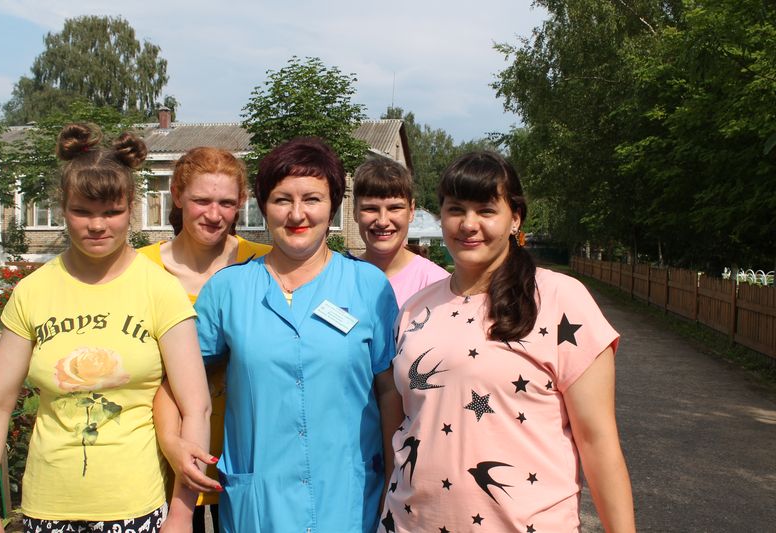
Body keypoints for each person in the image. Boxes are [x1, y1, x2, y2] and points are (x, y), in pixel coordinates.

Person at [380, 151, 635, 532]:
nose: (469, 224)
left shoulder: (559, 300)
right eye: (455, 209)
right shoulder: (415, 309)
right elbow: (406, 428)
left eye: (486, 210)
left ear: (515, 218)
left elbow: (598, 442)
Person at [0, 123, 211, 533]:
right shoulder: (33, 292)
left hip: (137, 509)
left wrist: (181, 514)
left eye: (111, 212)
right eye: (82, 211)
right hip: (47, 509)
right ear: (62, 207)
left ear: (131, 208)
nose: (97, 225)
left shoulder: (159, 290)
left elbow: (196, 408)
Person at [159, 137, 402, 532]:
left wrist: (395, 487)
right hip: (259, 506)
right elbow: (177, 379)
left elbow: (389, 391)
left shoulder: (369, 286)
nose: (297, 214)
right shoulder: (228, 289)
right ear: (262, 206)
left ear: (333, 205)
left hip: (350, 501)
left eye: (312, 199)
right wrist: (172, 442)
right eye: (282, 200)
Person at [139, 146, 270, 533]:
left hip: (246, 451)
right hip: (163, 453)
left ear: (241, 203)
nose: (214, 215)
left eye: (226, 203)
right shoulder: (140, 268)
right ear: (177, 195)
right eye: (201, 201)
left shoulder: (265, 264)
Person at [353, 158, 449, 308]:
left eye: (394, 208)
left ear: (411, 210)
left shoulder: (437, 284)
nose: (382, 221)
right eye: (370, 209)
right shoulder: (338, 279)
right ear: (354, 212)